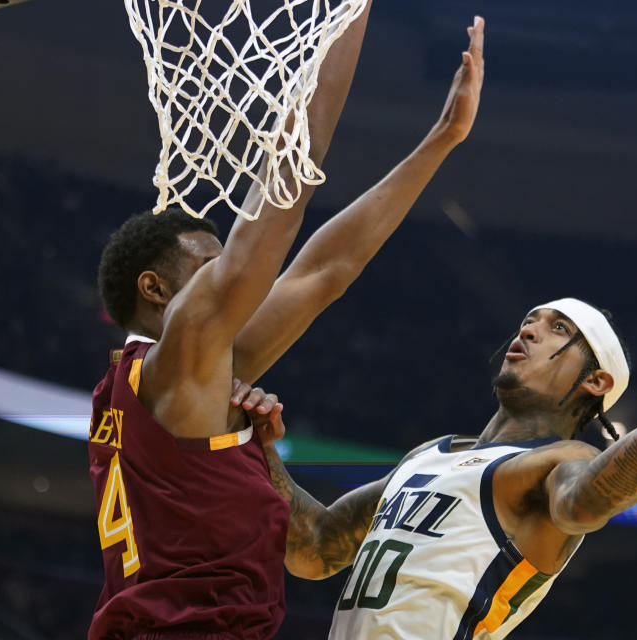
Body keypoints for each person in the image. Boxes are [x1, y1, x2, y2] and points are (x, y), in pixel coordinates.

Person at [88, 6, 486, 638]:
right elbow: (287, 190)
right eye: (211, 268)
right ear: (156, 290)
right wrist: (347, 21)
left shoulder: (168, 382)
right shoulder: (181, 353)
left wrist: (442, 137)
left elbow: (325, 271)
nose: (232, 281)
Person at [248, 275, 637, 639]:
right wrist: (259, 446)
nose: (531, 330)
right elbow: (315, 548)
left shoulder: (557, 462)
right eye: (530, 321)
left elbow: (591, 500)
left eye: (558, 328)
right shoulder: (430, 455)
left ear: (596, 380)